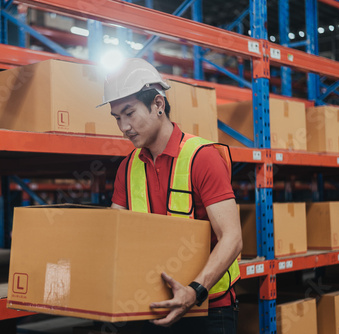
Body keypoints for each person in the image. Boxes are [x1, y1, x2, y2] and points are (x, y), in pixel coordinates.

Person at [99, 58, 242, 334]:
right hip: (148, 308)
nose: (123, 127)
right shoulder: (127, 168)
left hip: (209, 309)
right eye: (117, 118)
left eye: (129, 113)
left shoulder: (202, 157)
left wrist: (195, 291)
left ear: (158, 105)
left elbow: (233, 238)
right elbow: (114, 237)